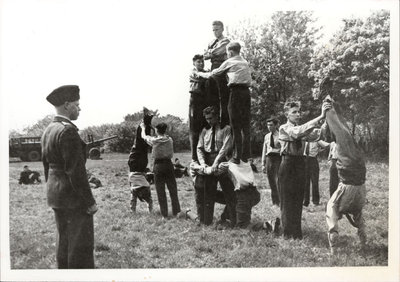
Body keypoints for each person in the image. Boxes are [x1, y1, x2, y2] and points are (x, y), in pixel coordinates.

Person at [41, 85, 97, 269]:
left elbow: (46, 166)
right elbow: (76, 172)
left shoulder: (49, 129)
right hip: (74, 199)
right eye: (77, 104)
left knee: (63, 245)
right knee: (80, 250)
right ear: (67, 105)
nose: (79, 108)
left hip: (57, 197)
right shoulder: (68, 131)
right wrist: (89, 202)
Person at [319, 78, 367, 255]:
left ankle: (333, 249)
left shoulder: (345, 144)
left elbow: (335, 125)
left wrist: (327, 102)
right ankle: (364, 241)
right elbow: (339, 124)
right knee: (358, 213)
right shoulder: (352, 144)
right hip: (361, 188)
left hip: (347, 186)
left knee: (331, 209)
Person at [278, 100, 332, 240]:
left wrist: (326, 119)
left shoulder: (302, 128)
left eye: (299, 111)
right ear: (286, 114)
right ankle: (287, 233)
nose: (298, 114)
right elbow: (297, 133)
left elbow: (315, 135)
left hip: (300, 163)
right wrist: (320, 116)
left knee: (298, 198)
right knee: (287, 199)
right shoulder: (284, 128)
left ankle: (297, 233)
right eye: (294, 112)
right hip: (288, 163)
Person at [197, 42, 252, 164]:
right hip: (247, 93)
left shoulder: (229, 61)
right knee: (245, 125)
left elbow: (213, 74)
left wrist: (199, 73)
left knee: (235, 125)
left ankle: (237, 157)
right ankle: (246, 155)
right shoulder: (244, 62)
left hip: (236, 92)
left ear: (230, 52)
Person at [196, 106, 236, 226]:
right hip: (208, 161)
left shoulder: (226, 129)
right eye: (207, 118)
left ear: (217, 117)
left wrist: (216, 164)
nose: (209, 121)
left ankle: (232, 220)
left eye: (211, 118)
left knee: (229, 192)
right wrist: (203, 164)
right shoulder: (204, 131)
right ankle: (207, 222)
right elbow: (199, 148)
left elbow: (225, 148)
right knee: (208, 193)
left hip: (222, 161)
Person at [141, 122, 181, 218]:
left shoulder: (154, 140)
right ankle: (176, 212)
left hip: (158, 165)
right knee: (173, 189)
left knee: (160, 191)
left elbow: (144, 136)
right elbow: (164, 135)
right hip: (169, 164)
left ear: (157, 131)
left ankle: (164, 215)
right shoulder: (170, 139)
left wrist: (143, 127)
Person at [204, 20, 230, 127]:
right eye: (213, 30)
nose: (215, 32)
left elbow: (219, 51)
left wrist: (210, 53)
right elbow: (205, 56)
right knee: (211, 93)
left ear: (222, 29)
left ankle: (224, 122)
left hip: (222, 68)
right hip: (213, 68)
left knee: (223, 96)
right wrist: (211, 53)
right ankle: (213, 119)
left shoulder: (226, 41)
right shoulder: (211, 42)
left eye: (217, 30)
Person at [189, 54, 211, 163]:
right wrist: (210, 75)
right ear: (194, 63)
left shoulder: (207, 72)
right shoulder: (193, 72)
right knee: (195, 130)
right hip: (196, 101)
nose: (201, 63)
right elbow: (200, 76)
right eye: (198, 62)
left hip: (205, 101)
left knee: (207, 127)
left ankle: (206, 155)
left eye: (202, 61)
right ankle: (194, 157)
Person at [303, 140, 330, 207]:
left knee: (314, 181)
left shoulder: (317, 140)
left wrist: (319, 151)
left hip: (313, 160)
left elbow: (327, 145)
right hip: (305, 160)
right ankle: (305, 201)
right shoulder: (304, 139)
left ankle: (315, 201)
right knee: (305, 182)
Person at [261, 117, 281, 206]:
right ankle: (275, 202)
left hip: (278, 159)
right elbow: (264, 150)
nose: (269, 127)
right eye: (268, 125)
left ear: (276, 125)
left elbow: (283, 149)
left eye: (271, 125)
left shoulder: (281, 135)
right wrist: (263, 163)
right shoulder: (267, 136)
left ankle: (280, 201)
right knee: (271, 181)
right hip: (269, 159)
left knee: (277, 180)